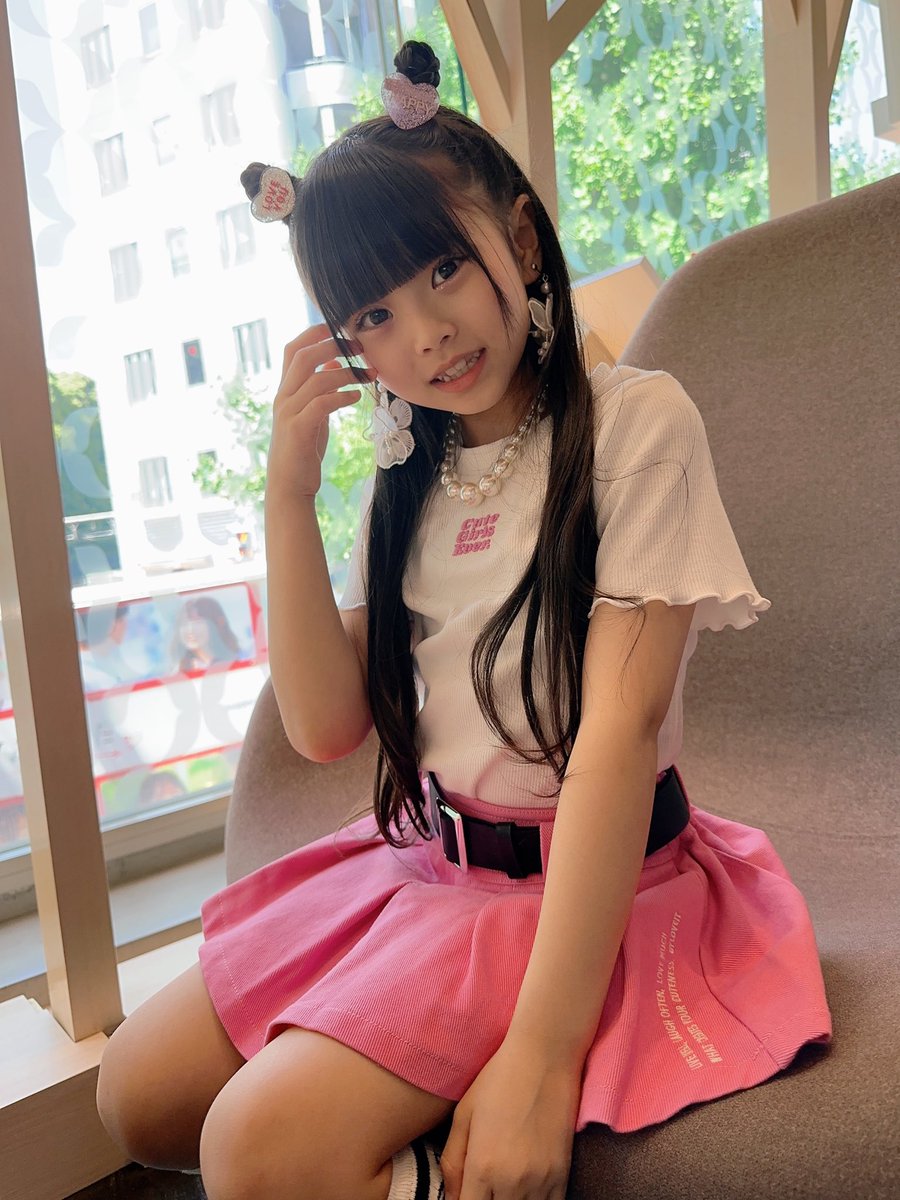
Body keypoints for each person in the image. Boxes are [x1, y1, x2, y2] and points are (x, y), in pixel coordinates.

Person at [96, 40, 832, 1200]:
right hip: (430, 864)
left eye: (444, 267)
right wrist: (288, 492)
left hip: (582, 884)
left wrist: (540, 1058)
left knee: (253, 1152)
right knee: (137, 1092)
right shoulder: (405, 480)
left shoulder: (635, 425)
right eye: (376, 314)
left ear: (521, 241)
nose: (427, 332)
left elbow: (617, 741)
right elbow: (325, 727)